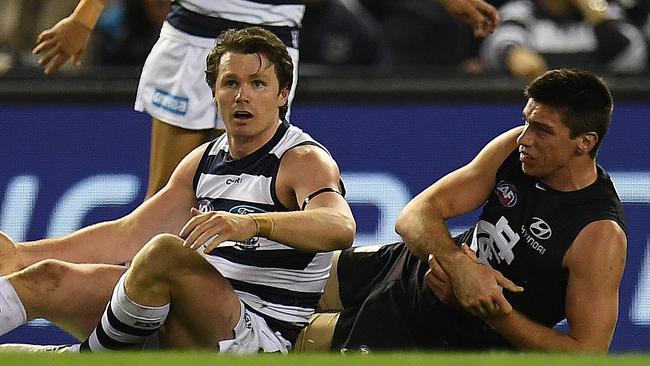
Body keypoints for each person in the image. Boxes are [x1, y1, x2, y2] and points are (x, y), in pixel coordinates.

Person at [0, 27, 355, 353]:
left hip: (256, 339)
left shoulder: (302, 159)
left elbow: (340, 226)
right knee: (47, 277)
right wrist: (21, 253)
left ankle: (91, 358)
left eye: (258, 84)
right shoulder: (204, 159)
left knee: (166, 254)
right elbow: (130, 234)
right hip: (183, 318)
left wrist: (254, 224)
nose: (241, 96)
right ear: (214, 93)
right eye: (230, 83)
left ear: (283, 95)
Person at [295, 68, 628, 353]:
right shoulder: (515, 151)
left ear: (584, 141)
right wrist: (459, 267)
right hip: (403, 266)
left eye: (542, 131)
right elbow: (415, 214)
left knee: (278, 341)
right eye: (527, 122)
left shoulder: (598, 233)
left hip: (429, 334)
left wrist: (489, 310)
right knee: (266, 277)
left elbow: (586, 353)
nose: (525, 138)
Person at [32, 0, 501, 199]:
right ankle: (147, 323)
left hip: (269, 43)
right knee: (168, 198)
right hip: (191, 36)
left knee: (241, 195)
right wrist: (84, 17)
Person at [480, 0, 647, 81]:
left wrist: (597, 15)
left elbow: (633, 58)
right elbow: (497, 44)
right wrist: (512, 54)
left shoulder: (606, 14)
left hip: (591, 109)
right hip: (538, 105)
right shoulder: (522, 11)